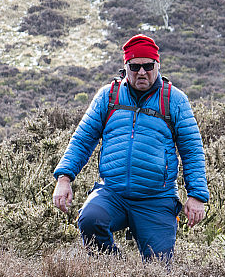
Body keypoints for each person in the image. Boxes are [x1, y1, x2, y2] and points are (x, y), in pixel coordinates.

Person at [52, 34, 209, 261]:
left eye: (148, 66)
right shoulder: (108, 96)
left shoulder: (174, 100)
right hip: (112, 192)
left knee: (159, 270)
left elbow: (192, 150)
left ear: (157, 65)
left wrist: (197, 196)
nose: (142, 72)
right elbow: (82, 139)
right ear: (125, 66)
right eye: (135, 66)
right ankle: (116, 273)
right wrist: (64, 178)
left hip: (156, 199)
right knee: (89, 219)